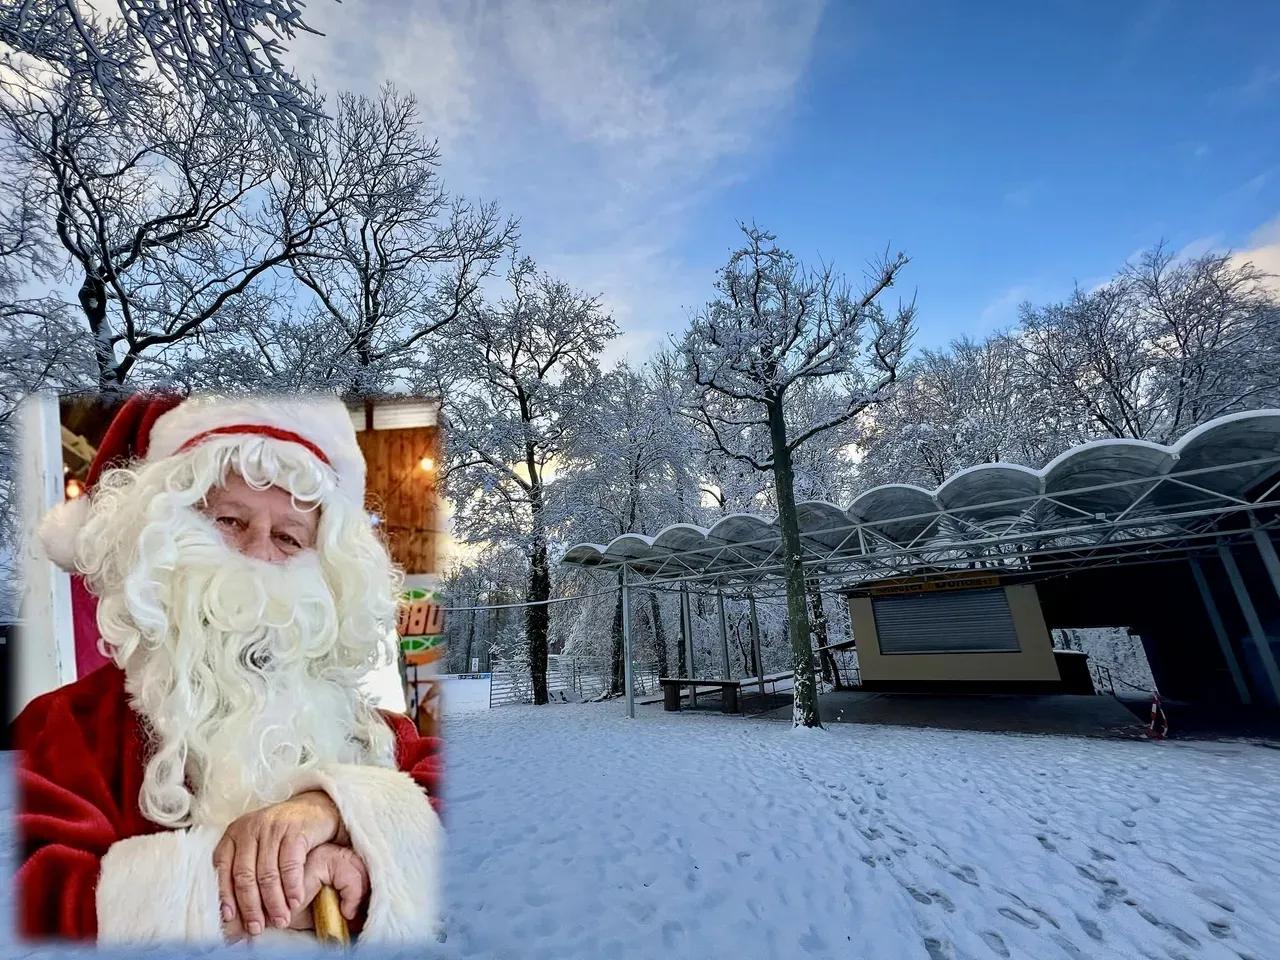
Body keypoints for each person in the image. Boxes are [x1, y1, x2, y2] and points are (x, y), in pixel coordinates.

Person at [12, 392, 442, 944]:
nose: (258, 554)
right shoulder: (66, 728)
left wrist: (333, 808)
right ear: (157, 542)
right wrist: (282, 892)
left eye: (289, 537)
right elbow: (28, 897)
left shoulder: (373, 735)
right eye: (230, 521)